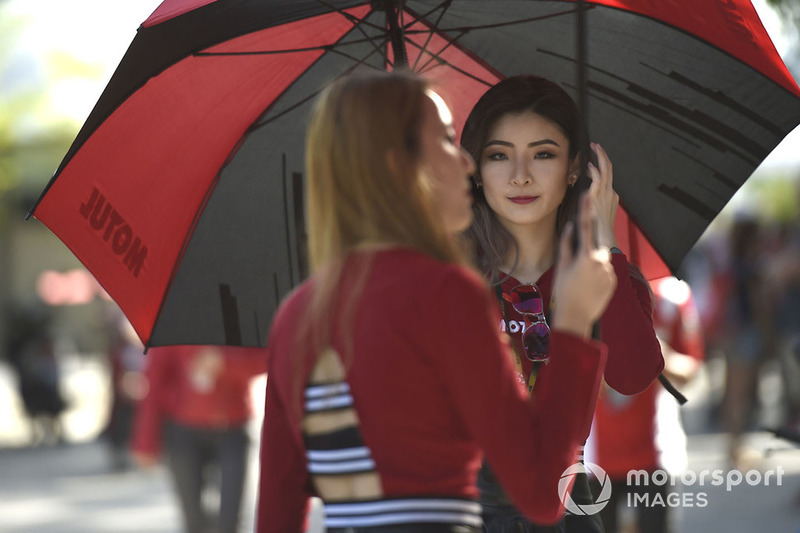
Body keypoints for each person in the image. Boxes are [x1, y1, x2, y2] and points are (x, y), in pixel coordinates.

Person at [256, 69, 618, 532]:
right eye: (447, 141)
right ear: (397, 169)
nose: (467, 163)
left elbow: (276, 516)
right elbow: (543, 494)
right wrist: (572, 323)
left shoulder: (296, 314)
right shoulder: (447, 295)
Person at [459, 75, 665, 532]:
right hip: (464, 511)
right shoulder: (450, 275)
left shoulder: (596, 275)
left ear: (575, 168)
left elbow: (631, 377)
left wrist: (608, 244)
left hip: (568, 510)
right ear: (473, 168)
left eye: (543, 153)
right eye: (498, 155)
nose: (520, 175)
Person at [589, 275, 705, 533]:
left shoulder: (672, 295)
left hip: (656, 454)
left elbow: (692, 369)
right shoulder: (583, 287)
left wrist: (655, 353)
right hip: (595, 460)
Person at [131, 344, 266, 533]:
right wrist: (145, 443)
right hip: (184, 432)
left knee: (231, 520)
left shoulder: (236, 320)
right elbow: (155, 380)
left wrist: (224, 362)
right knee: (193, 521)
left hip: (233, 429)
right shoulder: (173, 324)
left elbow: (265, 359)